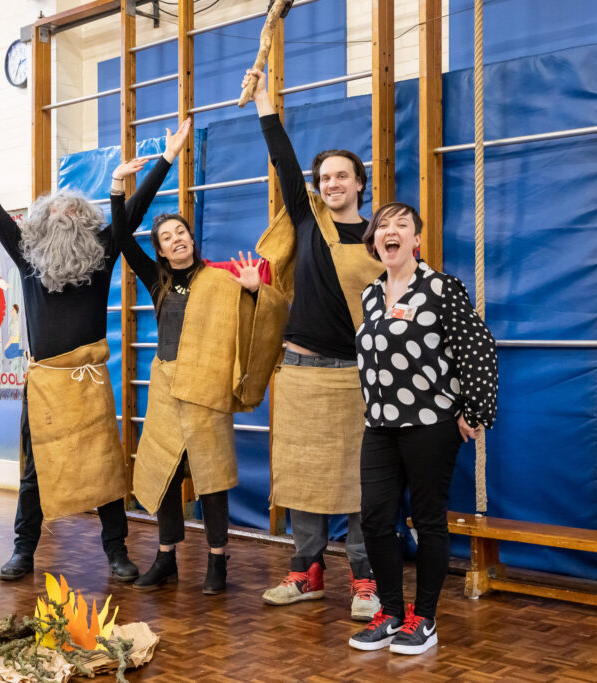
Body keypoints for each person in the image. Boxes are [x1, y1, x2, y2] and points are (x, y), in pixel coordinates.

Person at [0, 128, 183, 583]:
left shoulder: (103, 251)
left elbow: (134, 211)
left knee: (105, 467)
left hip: (88, 380)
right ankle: (22, 551)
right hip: (46, 385)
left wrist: (166, 159)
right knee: (34, 473)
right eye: (55, 208)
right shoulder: (26, 253)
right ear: (39, 222)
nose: (64, 211)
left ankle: (116, 552)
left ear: (85, 218)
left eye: (72, 207)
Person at [109, 149, 287, 595]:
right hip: (167, 389)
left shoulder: (223, 279)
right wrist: (118, 185)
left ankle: (217, 563)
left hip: (207, 391)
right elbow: (121, 235)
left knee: (211, 479)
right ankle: (166, 557)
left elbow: (260, 324)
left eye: (181, 232)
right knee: (165, 474)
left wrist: (253, 291)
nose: (176, 239)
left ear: (192, 237)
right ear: (161, 249)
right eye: (166, 237)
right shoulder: (156, 280)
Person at [242, 68, 385, 621]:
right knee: (303, 477)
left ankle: (365, 581)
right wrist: (263, 103)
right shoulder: (306, 221)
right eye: (324, 177)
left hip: (355, 376)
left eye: (342, 176)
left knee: (358, 483)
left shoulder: (380, 237)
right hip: (300, 370)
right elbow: (282, 161)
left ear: (360, 184)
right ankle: (306, 573)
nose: (331, 184)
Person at [348, 202, 498, 654]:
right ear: (374, 241)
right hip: (379, 424)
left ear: (416, 240)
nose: (390, 232)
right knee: (375, 518)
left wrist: (475, 411)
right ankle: (392, 613)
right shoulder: (371, 294)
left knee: (428, 520)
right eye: (382, 227)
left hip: (430, 424)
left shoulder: (440, 288)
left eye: (402, 226)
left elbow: (479, 349)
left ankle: (425, 619)